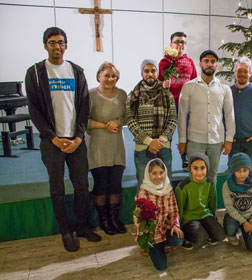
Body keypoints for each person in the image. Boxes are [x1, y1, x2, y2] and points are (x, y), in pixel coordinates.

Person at [25, 27, 100, 252]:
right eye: (52, 42)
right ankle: (66, 230)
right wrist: (52, 137)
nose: (57, 46)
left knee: (82, 186)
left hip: (75, 141)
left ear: (66, 45)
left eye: (61, 42)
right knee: (57, 188)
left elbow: (84, 105)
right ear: (45, 45)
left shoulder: (76, 72)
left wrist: (78, 136)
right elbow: (34, 110)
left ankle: (83, 226)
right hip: (52, 142)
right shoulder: (36, 73)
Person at [178, 50, 235, 186]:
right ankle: (195, 207)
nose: (209, 64)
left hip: (216, 140)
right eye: (206, 61)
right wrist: (182, 140)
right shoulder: (189, 87)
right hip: (195, 140)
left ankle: (211, 207)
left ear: (217, 65)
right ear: (200, 64)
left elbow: (229, 115)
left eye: (213, 62)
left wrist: (229, 140)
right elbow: (182, 115)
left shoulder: (224, 89)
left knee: (212, 177)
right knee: (194, 176)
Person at [86, 62, 127, 235]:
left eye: (114, 76)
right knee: (101, 184)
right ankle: (104, 221)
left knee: (116, 184)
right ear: (99, 76)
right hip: (98, 145)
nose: (110, 79)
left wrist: (117, 122)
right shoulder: (90, 95)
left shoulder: (123, 94)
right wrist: (104, 125)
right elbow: (83, 121)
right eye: (107, 75)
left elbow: (127, 116)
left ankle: (113, 219)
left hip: (117, 145)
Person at [126, 59, 177, 186]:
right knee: (144, 186)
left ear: (157, 72)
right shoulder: (133, 96)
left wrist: (162, 139)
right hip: (143, 148)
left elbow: (173, 118)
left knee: (166, 185)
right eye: (146, 71)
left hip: (163, 146)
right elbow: (130, 120)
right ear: (142, 73)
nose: (150, 74)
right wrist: (149, 141)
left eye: (153, 71)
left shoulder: (167, 94)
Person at [134, 159, 183, 271]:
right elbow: (138, 218)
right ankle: (149, 247)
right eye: (154, 173)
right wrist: (143, 236)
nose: (158, 176)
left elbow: (174, 211)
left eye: (161, 172)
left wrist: (175, 225)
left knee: (179, 239)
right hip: (151, 234)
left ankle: (163, 245)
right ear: (148, 174)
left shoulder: (168, 189)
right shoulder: (143, 193)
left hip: (165, 228)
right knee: (162, 266)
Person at [158, 31, 197, 169]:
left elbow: (195, 83)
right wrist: (163, 84)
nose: (180, 45)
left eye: (183, 42)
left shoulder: (190, 62)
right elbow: (158, 82)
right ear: (171, 44)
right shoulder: (164, 62)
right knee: (166, 132)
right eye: (177, 42)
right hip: (169, 103)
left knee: (186, 132)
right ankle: (163, 161)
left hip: (186, 103)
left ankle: (185, 158)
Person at [175, 153, 226, 250]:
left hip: (205, 215)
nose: (199, 172)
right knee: (200, 238)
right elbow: (179, 209)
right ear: (190, 169)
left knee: (221, 236)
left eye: (202, 168)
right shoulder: (183, 187)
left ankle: (205, 230)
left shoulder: (210, 184)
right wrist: (180, 226)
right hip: (189, 217)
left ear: (207, 169)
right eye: (195, 168)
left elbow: (212, 205)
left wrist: (213, 222)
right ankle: (186, 236)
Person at [222, 153, 252, 252]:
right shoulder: (227, 185)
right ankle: (231, 235)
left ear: (249, 169)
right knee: (230, 226)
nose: (242, 174)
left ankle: (246, 231)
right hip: (234, 218)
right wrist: (243, 222)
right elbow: (229, 207)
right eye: (238, 171)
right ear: (233, 171)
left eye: (245, 170)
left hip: (250, 218)